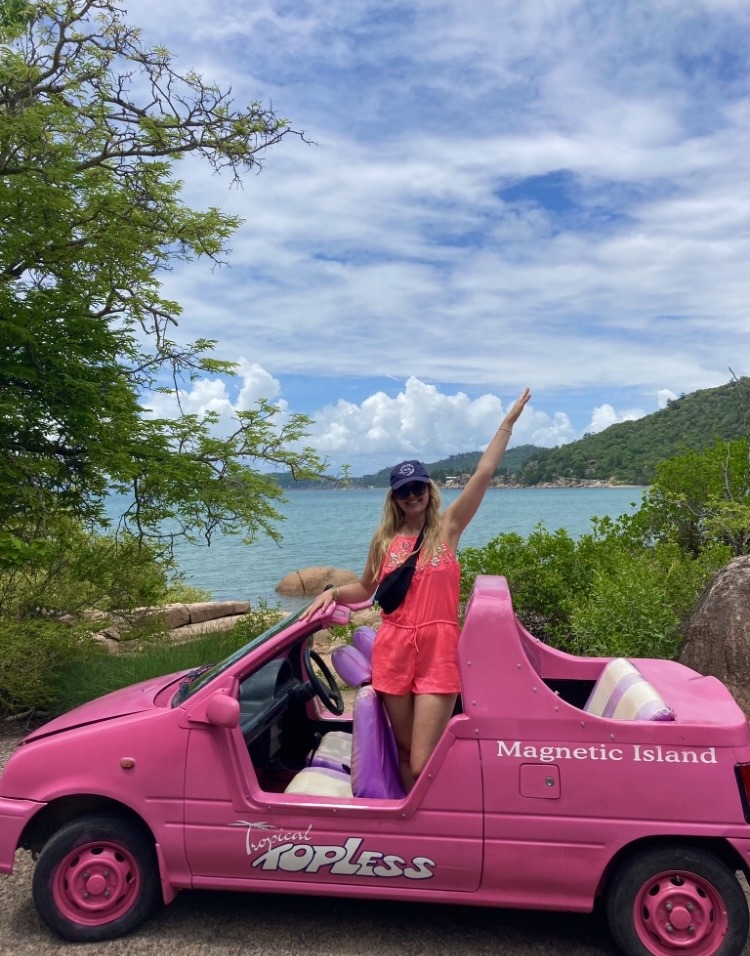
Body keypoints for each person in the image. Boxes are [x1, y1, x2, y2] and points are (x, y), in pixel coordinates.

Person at [302, 387, 531, 790]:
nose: (413, 496)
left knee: (427, 757)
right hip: (393, 649)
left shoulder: (448, 528)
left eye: (418, 488)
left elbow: (483, 474)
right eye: (404, 491)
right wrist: (333, 592)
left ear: (429, 489)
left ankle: (441, 826)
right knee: (406, 751)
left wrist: (507, 424)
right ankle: (411, 839)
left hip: (438, 649)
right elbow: (367, 588)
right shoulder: (384, 540)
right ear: (395, 497)